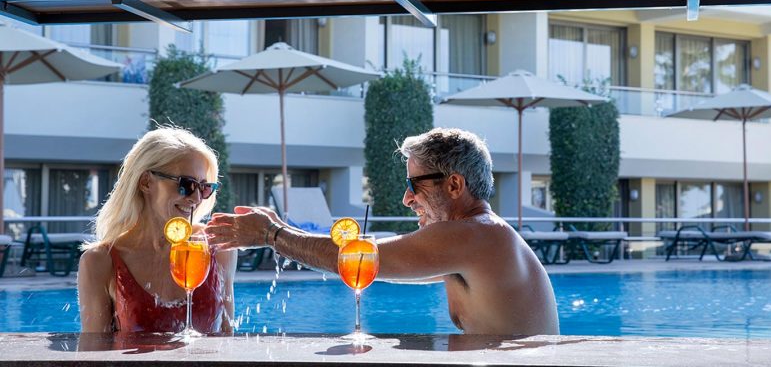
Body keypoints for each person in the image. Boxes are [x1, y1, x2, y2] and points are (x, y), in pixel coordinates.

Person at [207, 127, 559, 335]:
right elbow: (370, 261)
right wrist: (279, 228)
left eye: (414, 184)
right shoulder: (476, 239)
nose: (407, 198)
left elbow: (361, 260)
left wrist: (271, 234)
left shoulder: (474, 234)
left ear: (454, 185)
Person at [78, 127, 236, 333]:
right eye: (186, 184)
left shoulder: (217, 248)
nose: (196, 198)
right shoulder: (100, 262)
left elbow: (228, 339)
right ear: (146, 182)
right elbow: (94, 355)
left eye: (204, 187)